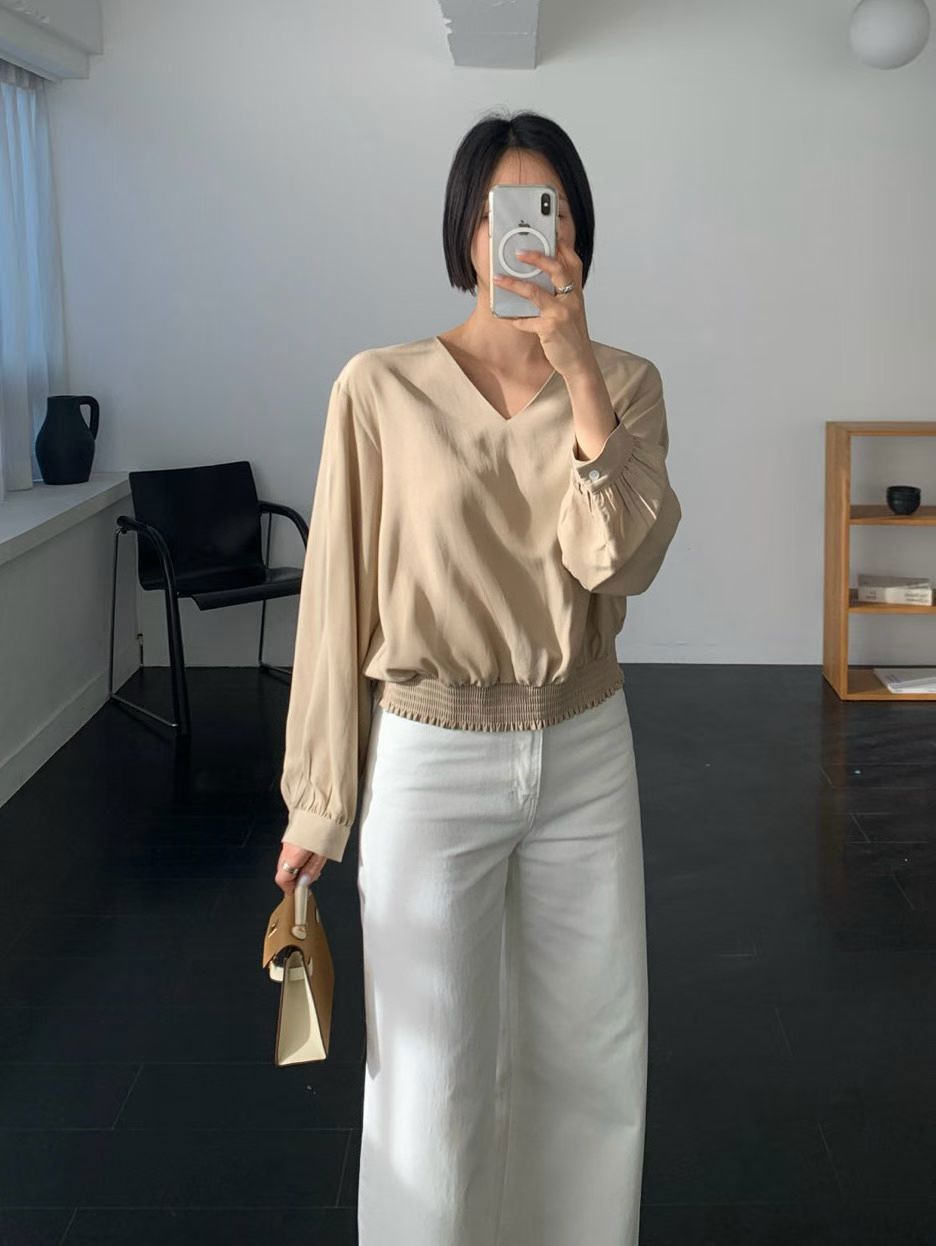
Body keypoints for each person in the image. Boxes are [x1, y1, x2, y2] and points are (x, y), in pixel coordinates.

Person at [273, 109, 682, 1246]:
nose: (527, 237)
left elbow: (620, 563)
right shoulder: (379, 388)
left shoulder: (628, 383)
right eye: (504, 213)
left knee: (594, 1057)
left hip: (586, 746)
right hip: (429, 752)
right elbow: (335, 597)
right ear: (465, 230)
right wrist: (319, 800)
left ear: (577, 234)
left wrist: (580, 373)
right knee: (427, 1073)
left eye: (550, 213)